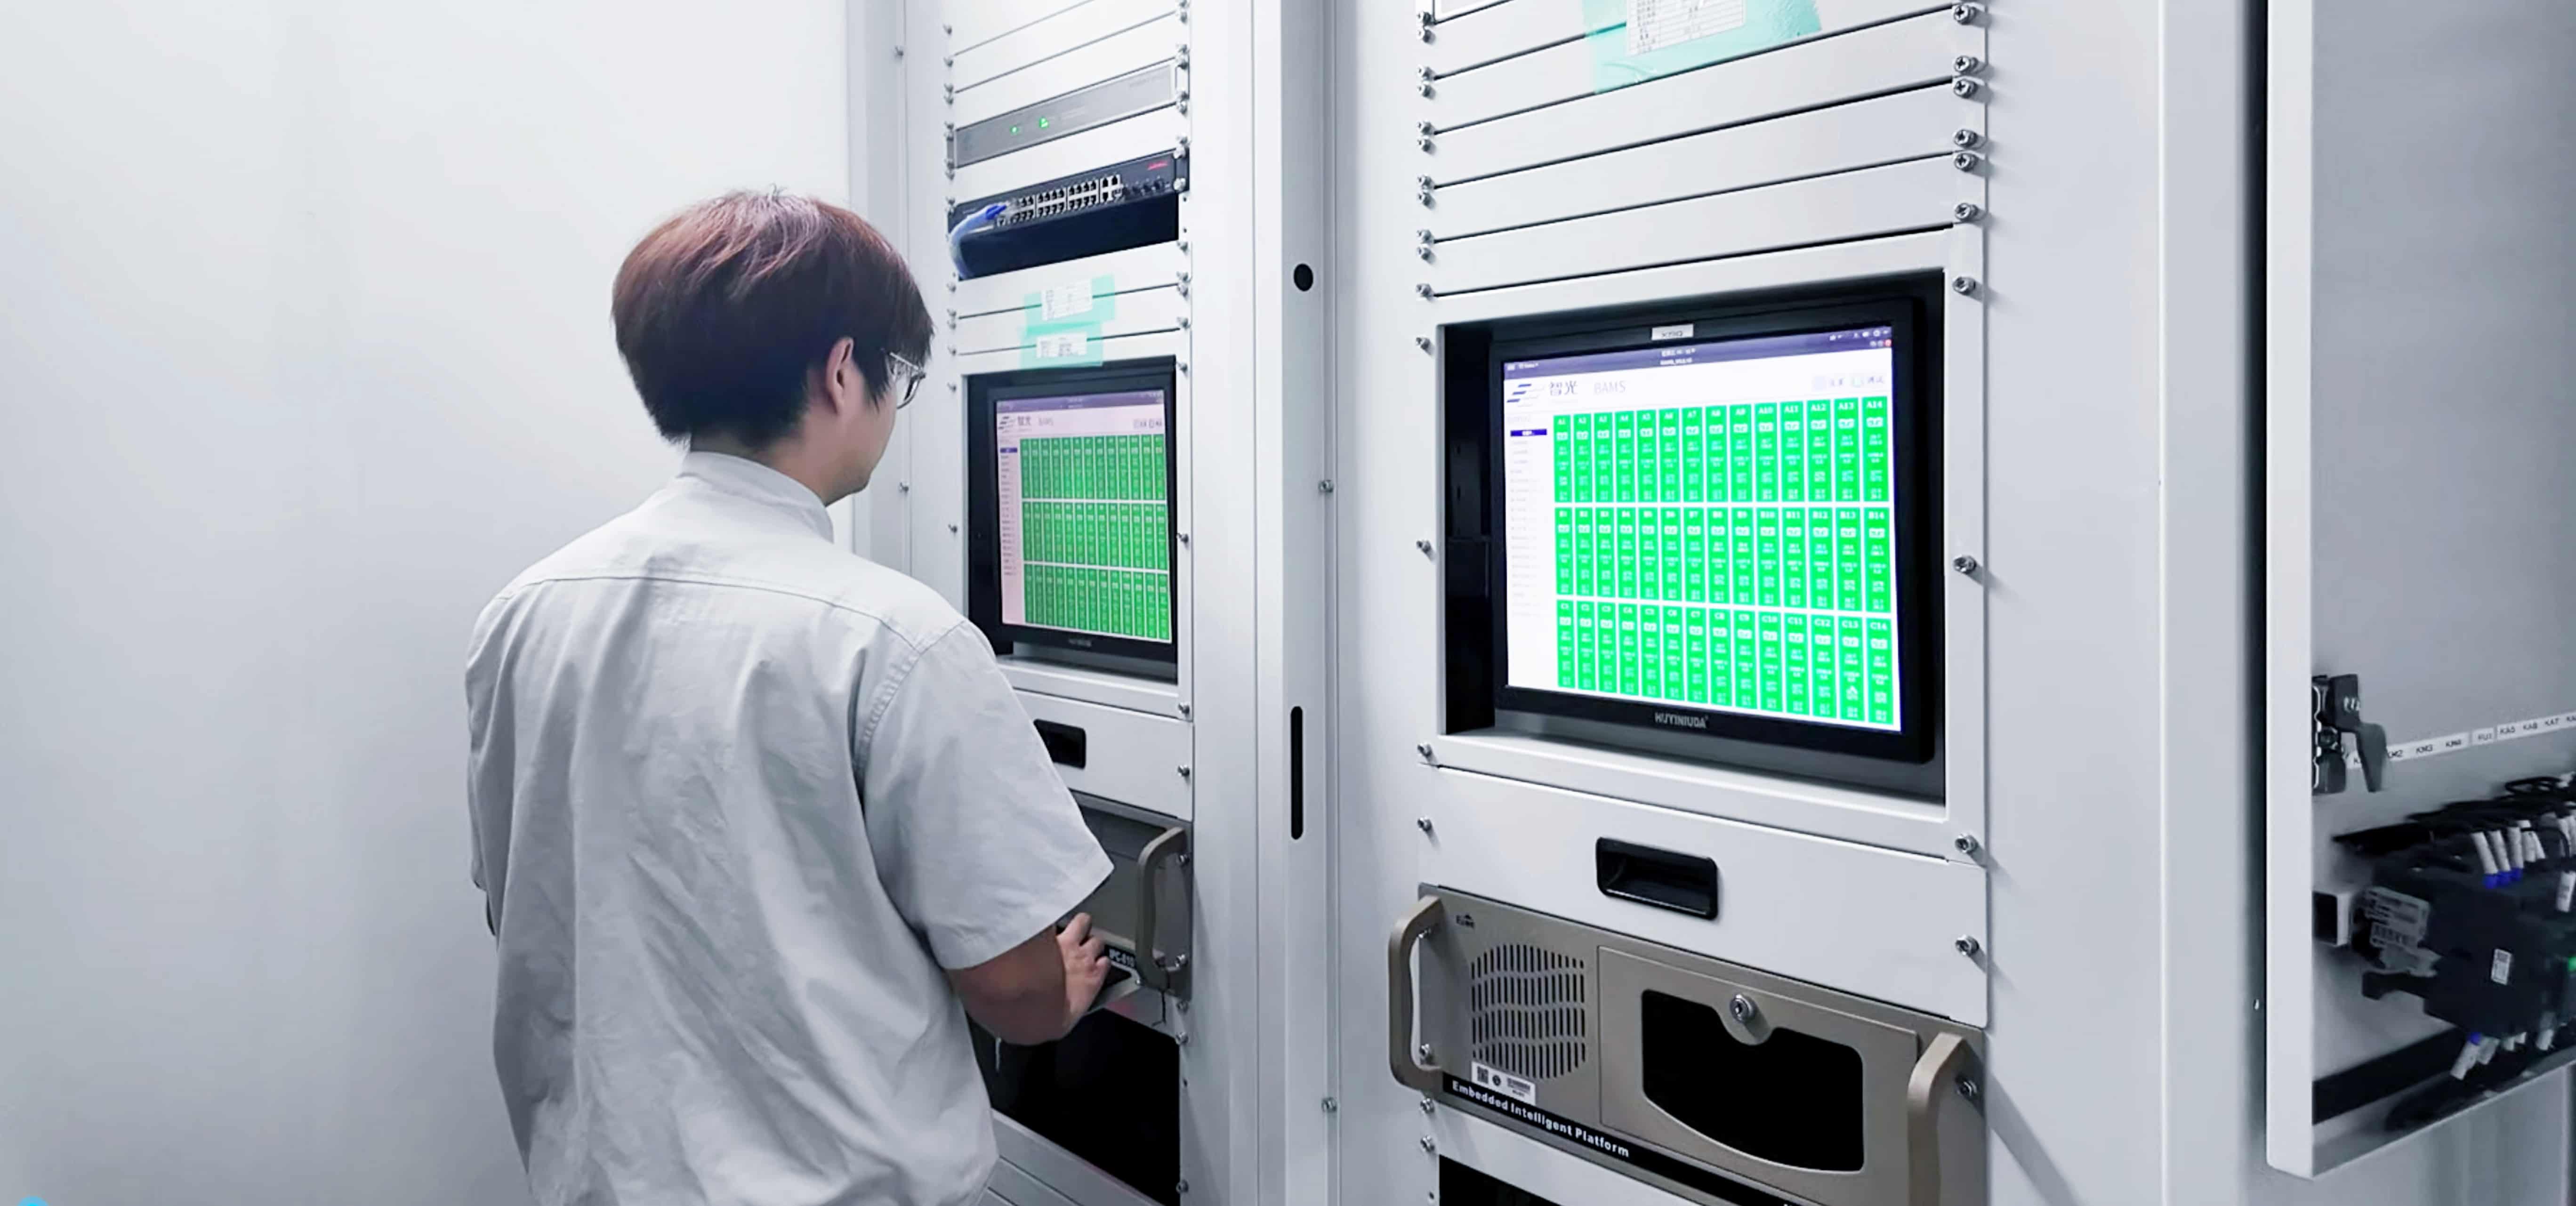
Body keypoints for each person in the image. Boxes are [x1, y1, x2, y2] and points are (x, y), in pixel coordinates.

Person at [464, 192, 1112, 1206]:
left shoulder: (525, 613)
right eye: (900, 379)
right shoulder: (896, 639)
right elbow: (1014, 993)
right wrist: (1058, 992)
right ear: (843, 371)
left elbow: (526, 902)